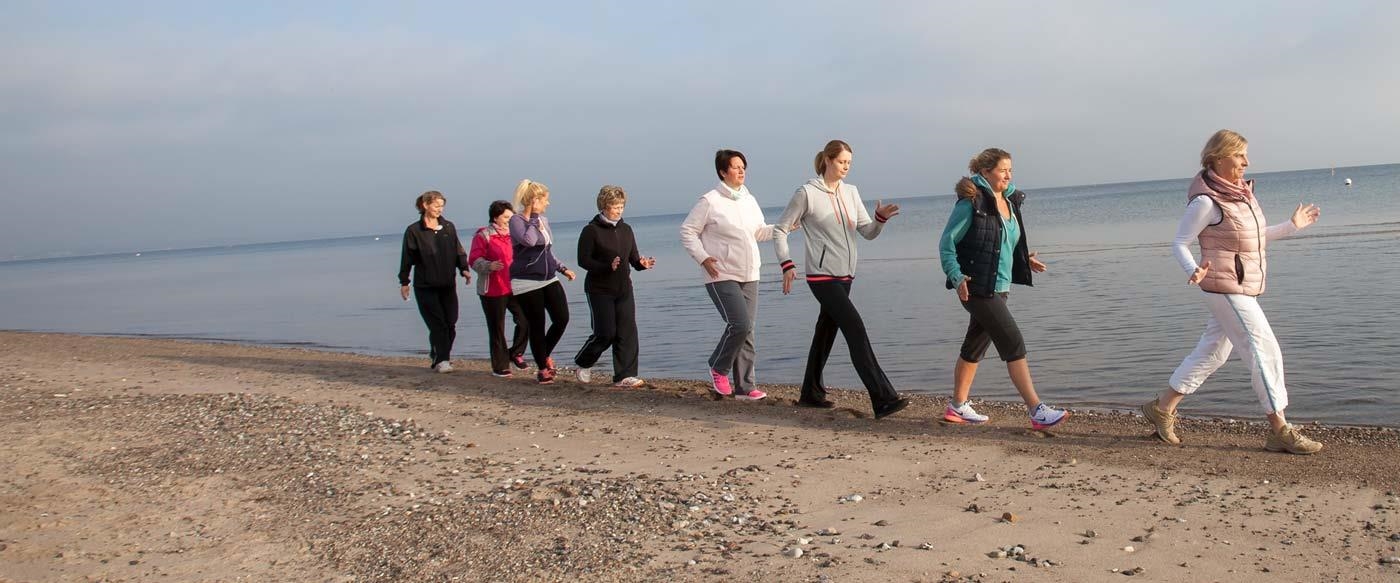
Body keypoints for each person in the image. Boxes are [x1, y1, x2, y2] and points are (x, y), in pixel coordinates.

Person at [1140, 129, 1323, 454]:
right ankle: (1279, 429)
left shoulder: (1239, 195)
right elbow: (1180, 242)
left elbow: (1252, 238)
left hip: (1239, 286)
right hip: (1223, 286)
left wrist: (1291, 226)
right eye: (1240, 156)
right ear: (1219, 157)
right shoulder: (1206, 201)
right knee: (1264, 349)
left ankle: (1163, 407)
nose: (1246, 162)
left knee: (1214, 351)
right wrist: (1192, 269)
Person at [773, 139, 910, 420]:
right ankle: (883, 398)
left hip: (846, 275)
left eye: (849, 162)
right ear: (827, 160)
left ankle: (810, 393)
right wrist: (787, 264)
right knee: (855, 329)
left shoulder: (851, 192)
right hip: (821, 277)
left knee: (825, 333)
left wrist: (880, 220)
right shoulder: (807, 193)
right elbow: (780, 230)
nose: (846, 167)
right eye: (841, 161)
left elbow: (867, 232)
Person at [936, 148, 1069, 430]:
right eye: (1002, 170)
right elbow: (947, 243)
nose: (1008, 174)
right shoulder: (972, 202)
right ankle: (1036, 410)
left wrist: (1024, 259)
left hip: (1000, 284)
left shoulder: (1009, 200)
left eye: (1010, 169)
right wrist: (957, 276)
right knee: (1013, 342)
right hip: (977, 287)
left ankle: (957, 406)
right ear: (985, 172)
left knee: (975, 346)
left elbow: (1003, 241)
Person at [679, 149, 774, 401]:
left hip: (750, 271)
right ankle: (718, 367)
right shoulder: (710, 201)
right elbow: (688, 231)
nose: (741, 171)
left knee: (748, 330)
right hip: (720, 273)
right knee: (739, 324)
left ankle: (745, 387)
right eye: (735, 167)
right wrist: (703, 257)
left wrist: (784, 228)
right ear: (723, 171)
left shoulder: (749, 199)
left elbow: (759, 232)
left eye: (743, 166)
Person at [573, 185, 657, 388]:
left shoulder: (626, 230)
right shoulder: (591, 231)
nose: (618, 210)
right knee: (605, 333)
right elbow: (583, 260)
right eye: (614, 206)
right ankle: (583, 363)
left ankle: (624, 376)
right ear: (604, 206)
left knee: (627, 331)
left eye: (621, 206)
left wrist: (642, 264)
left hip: (624, 289)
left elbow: (634, 259)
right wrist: (605, 266)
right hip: (599, 289)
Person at [509, 179, 576, 384]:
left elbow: (547, 251)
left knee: (562, 318)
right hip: (526, 282)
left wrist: (563, 268)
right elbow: (528, 241)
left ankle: (543, 353)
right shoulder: (516, 220)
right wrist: (533, 216)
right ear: (535, 200)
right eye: (545, 200)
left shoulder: (544, 221)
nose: (548, 203)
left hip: (549, 278)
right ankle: (542, 368)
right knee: (537, 325)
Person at [397, 190, 471, 373]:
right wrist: (404, 281)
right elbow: (407, 258)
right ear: (425, 205)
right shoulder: (414, 231)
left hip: (447, 284)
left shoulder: (448, 227)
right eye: (436, 205)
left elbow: (458, 250)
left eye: (442, 205)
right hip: (425, 286)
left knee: (451, 322)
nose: (440, 209)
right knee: (438, 324)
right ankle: (443, 360)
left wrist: (464, 269)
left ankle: (438, 353)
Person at [468, 200, 530, 377]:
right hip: (492, 289)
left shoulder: (514, 234)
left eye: (511, 217)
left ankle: (516, 352)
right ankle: (500, 365)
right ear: (495, 217)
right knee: (497, 327)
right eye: (505, 217)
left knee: (525, 320)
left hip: (515, 286)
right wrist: (488, 265)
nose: (509, 220)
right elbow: (474, 259)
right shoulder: (484, 235)